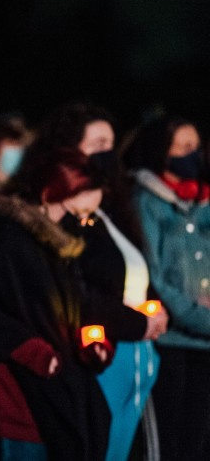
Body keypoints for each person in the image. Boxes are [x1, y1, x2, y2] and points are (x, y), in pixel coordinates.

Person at [0, 148, 113, 461]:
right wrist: (27, 348)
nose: (81, 224)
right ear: (55, 194)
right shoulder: (8, 241)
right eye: (77, 213)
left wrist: (87, 341)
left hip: (54, 392)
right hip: (15, 404)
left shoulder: (60, 246)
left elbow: (61, 311)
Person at [25, 103, 167, 461]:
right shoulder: (65, 218)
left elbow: (134, 270)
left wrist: (156, 308)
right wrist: (139, 322)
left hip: (137, 352)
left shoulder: (106, 212)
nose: (108, 153)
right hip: (105, 353)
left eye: (111, 144)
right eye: (98, 143)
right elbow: (80, 291)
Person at [124, 115, 210, 460]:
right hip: (170, 340)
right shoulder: (146, 201)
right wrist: (200, 316)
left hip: (204, 341)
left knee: (197, 440)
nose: (193, 155)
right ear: (163, 152)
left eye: (196, 147)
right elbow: (154, 276)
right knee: (167, 440)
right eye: (183, 147)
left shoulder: (203, 202)